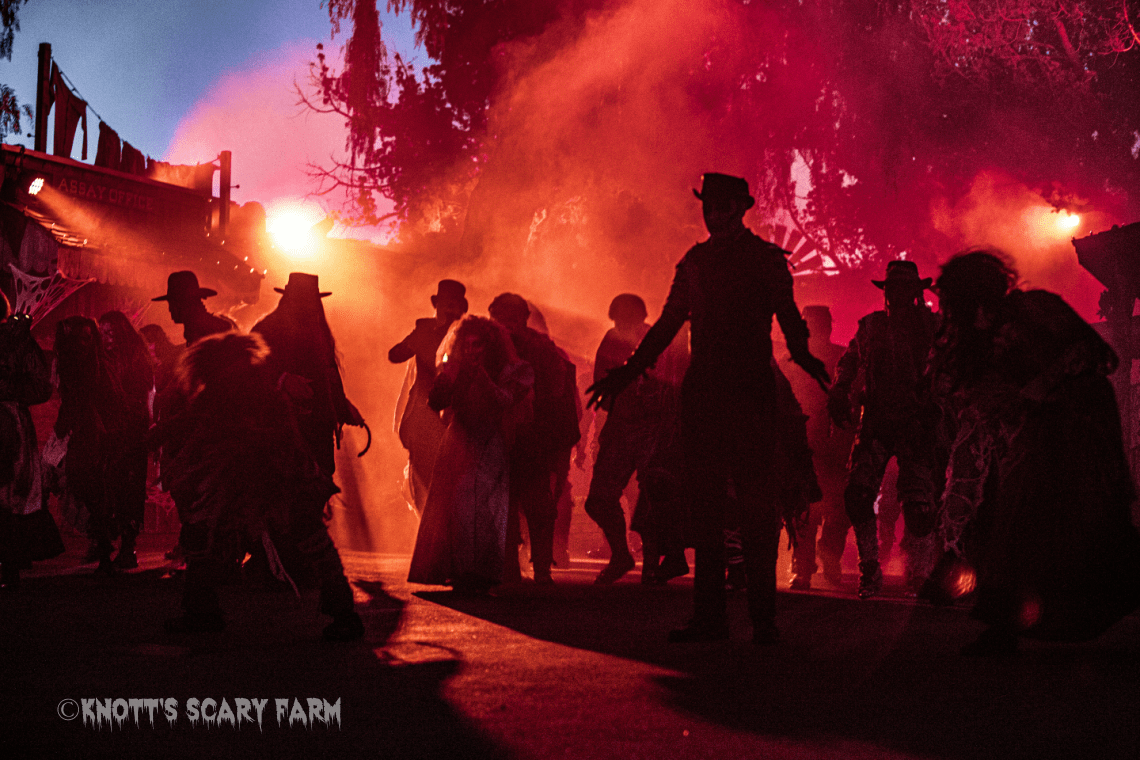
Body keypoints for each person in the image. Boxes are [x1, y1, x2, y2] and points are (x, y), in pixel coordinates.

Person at [589, 172, 829, 645]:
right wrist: (628, 370)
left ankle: (762, 620)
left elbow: (788, 316)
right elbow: (666, 324)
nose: (715, 214)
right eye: (709, 207)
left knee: (756, 508)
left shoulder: (762, 261)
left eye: (723, 206)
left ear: (740, 209)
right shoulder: (698, 263)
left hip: (748, 393)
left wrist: (803, 356)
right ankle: (712, 618)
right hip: (708, 396)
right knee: (707, 510)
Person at [925, 250, 1140, 655]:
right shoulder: (973, 334)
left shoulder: (1035, 307)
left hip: (1076, 421)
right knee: (1015, 522)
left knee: (1073, 522)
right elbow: (978, 393)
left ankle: (1008, 623)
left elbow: (1093, 353)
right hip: (1030, 431)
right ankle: (1004, 622)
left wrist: (1045, 383)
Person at [162, 332, 364, 640]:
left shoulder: (240, 393)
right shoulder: (251, 391)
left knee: (205, 538)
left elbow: (196, 426)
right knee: (308, 540)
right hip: (261, 480)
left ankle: (202, 612)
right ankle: (343, 612)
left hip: (261, 480)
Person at [827, 260, 939, 599]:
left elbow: (952, 365)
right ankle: (871, 569)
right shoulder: (872, 326)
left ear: (915, 292)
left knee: (919, 507)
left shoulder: (933, 328)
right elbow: (850, 359)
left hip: (916, 423)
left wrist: (940, 403)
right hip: (875, 421)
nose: (896, 296)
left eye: (904, 289)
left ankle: (918, 572)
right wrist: (840, 388)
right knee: (858, 495)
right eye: (892, 289)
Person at [408, 315, 534, 593]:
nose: (472, 351)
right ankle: (457, 570)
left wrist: (482, 378)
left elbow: (505, 401)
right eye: (468, 346)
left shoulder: (514, 370)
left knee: (481, 507)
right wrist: (444, 385)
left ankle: (480, 572)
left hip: (490, 441)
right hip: (459, 438)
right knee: (454, 505)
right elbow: (436, 403)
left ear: (491, 347)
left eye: (479, 345)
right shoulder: (456, 368)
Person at [585, 294, 687, 584]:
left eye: (628, 315)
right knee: (599, 499)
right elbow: (602, 390)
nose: (623, 321)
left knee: (653, 497)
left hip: (655, 427)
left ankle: (653, 564)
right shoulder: (611, 339)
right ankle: (623, 555)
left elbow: (673, 383)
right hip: (622, 427)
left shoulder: (659, 338)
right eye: (619, 316)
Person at [489, 293, 580, 585]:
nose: (507, 322)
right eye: (501, 317)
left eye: (513, 316)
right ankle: (508, 566)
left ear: (525, 318)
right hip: (498, 437)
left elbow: (561, 400)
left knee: (537, 503)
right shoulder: (487, 347)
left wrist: (561, 447)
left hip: (535, 438)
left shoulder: (544, 350)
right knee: (503, 502)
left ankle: (542, 567)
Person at [253, 273, 365, 479]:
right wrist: (282, 380)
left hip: (317, 433)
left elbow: (328, 375)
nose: (310, 308)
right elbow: (249, 375)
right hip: (280, 436)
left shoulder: (317, 333)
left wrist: (342, 406)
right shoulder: (266, 330)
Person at [782, 306, 854, 588]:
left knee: (836, 506)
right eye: (811, 323)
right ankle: (805, 565)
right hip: (807, 441)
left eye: (818, 324)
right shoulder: (793, 359)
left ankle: (826, 557)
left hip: (834, 442)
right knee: (806, 506)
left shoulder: (841, 358)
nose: (816, 329)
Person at [52, 316, 125, 574]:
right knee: (86, 486)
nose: (81, 343)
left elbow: (104, 400)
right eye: (77, 338)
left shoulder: (97, 365)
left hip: (95, 432)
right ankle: (102, 542)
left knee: (92, 486)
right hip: (87, 431)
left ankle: (104, 545)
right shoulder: (77, 364)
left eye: (86, 338)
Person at [389, 280, 469, 513]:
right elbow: (395, 355)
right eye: (448, 304)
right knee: (423, 482)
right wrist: (415, 341)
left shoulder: (468, 336)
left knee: (451, 485)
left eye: (457, 306)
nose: (452, 310)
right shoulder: (423, 331)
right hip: (423, 420)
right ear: (437, 305)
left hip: (454, 422)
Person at [0, 295, 61, 589]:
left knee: (10, 491)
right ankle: (10, 564)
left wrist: (7, 390)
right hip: (11, 418)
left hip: (8, 422)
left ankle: (10, 564)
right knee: (10, 493)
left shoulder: (17, 342)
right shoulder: (18, 341)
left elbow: (40, 386)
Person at [98, 311, 153, 570]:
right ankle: (106, 540)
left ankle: (128, 545)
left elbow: (141, 392)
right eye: (103, 332)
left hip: (131, 429)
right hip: (111, 429)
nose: (106, 338)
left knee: (130, 488)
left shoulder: (136, 357)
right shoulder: (102, 358)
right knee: (110, 485)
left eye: (110, 332)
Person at [152, 270, 235, 346]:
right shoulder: (201, 329)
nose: (170, 309)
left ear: (184, 303)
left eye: (173, 304)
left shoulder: (213, 331)